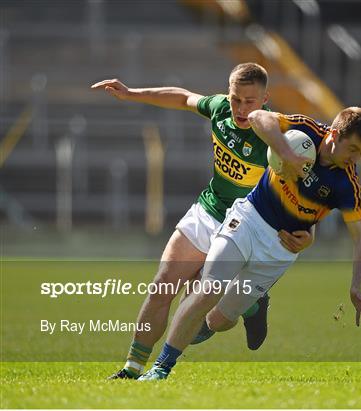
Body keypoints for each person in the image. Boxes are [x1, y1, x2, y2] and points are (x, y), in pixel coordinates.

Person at [91, 63, 314, 380]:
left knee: (212, 321)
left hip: (246, 226)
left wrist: (309, 234)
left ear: (266, 98)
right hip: (209, 212)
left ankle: (252, 305)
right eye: (236, 98)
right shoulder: (220, 109)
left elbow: (303, 190)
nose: (240, 108)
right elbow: (182, 98)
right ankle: (132, 369)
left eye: (249, 101)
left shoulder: (277, 138)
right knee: (161, 286)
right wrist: (131, 94)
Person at [137, 106, 361, 381]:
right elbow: (257, 118)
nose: (356, 158)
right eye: (354, 149)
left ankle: (254, 305)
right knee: (210, 288)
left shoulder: (348, 183)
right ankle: (160, 369)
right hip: (248, 219)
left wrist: (356, 285)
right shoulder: (305, 129)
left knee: (217, 321)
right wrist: (287, 155)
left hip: (279, 249)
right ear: (334, 134)